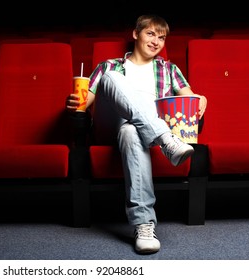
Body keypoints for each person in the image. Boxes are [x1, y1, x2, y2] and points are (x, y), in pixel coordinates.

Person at [66, 14, 208, 254]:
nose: (156, 42)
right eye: (150, 34)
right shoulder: (109, 66)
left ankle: (144, 224)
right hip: (111, 124)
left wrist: (200, 98)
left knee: (131, 130)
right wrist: (75, 103)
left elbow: (189, 96)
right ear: (135, 34)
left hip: (138, 133)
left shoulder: (169, 68)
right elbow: (86, 101)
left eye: (161, 37)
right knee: (111, 79)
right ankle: (166, 140)